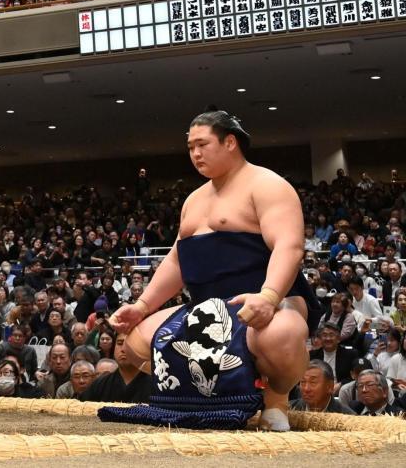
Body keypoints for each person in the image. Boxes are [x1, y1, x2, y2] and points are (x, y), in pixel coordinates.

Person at [111, 110, 318, 431]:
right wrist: (141, 306)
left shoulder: (268, 186)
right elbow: (178, 260)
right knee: (137, 343)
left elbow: (289, 247)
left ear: (230, 142)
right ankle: (218, 397)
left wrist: (269, 294)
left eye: (202, 144)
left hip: (267, 300)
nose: (195, 153)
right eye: (190, 146)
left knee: (281, 336)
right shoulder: (193, 200)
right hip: (207, 307)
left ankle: (276, 397)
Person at [78, 334, 151, 403]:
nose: (123, 349)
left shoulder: (157, 384)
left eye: (130, 344)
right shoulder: (100, 384)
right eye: (119, 343)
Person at [289, 360, 354, 413]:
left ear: (330, 386)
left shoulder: (347, 417)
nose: (306, 389)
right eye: (303, 382)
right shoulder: (289, 409)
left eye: (313, 382)